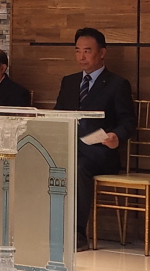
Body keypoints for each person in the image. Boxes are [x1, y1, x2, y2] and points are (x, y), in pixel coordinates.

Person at [54, 27, 136, 252]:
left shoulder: (117, 84)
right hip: (70, 149)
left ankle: (78, 233)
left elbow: (128, 121)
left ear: (102, 52)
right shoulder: (69, 82)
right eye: (77, 50)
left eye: (87, 51)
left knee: (79, 167)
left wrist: (116, 136)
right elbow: (58, 114)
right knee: (46, 163)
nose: (81, 56)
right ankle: (48, 226)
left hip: (100, 154)